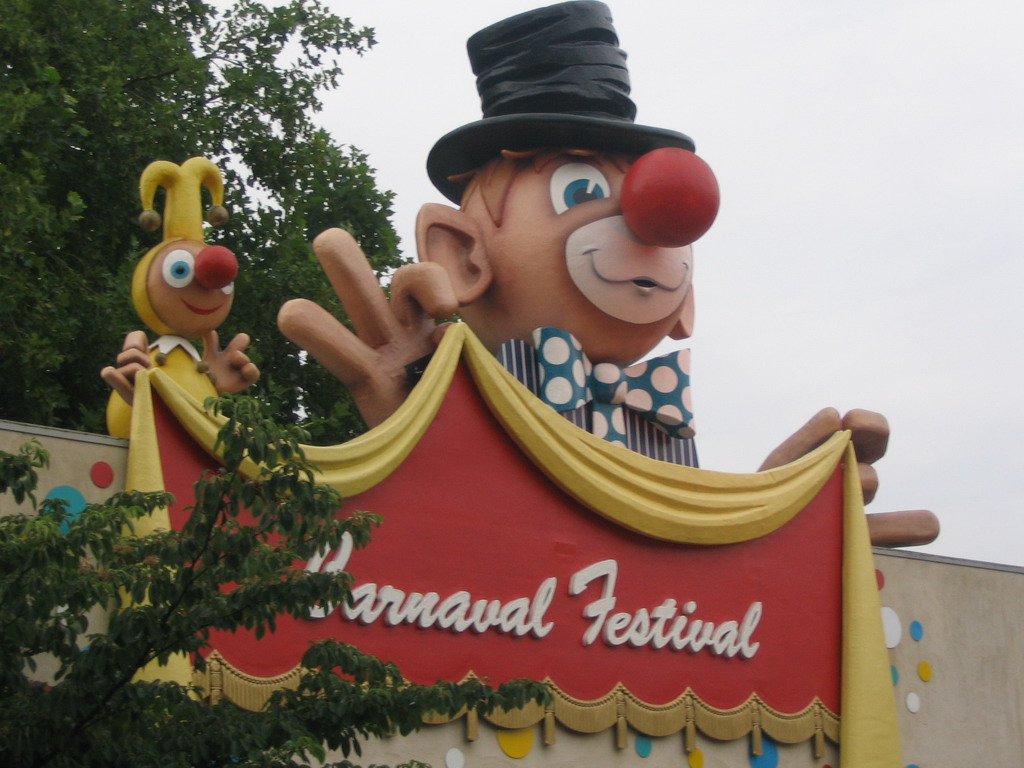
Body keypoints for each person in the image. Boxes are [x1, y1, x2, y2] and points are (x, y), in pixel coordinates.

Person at [278, 2, 937, 542]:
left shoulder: (661, 422)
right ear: (462, 255)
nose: (647, 222)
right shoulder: (461, 405)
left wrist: (768, 529)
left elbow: (675, 582)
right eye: (582, 189)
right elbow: (451, 551)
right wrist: (408, 430)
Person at [102, 158, 259, 438]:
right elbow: (124, 422)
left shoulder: (195, 361)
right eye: (180, 271)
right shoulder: (143, 354)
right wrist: (134, 395)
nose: (206, 287)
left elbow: (205, 423)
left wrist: (212, 382)